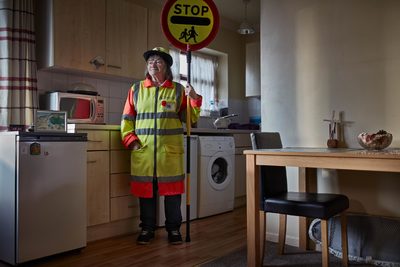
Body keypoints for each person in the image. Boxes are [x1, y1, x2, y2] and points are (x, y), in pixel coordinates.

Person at [121, 47, 202, 245]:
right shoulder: (136, 89)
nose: (153, 64)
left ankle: (174, 229)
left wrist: (194, 99)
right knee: (146, 193)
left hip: (169, 153)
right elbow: (126, 119)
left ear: (166, 67)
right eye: (150, 61)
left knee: (172, 193)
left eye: (158, 61)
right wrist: (131, 142)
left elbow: (190, 121)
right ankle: (147, 229)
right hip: (144, 152)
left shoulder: (177, 90)